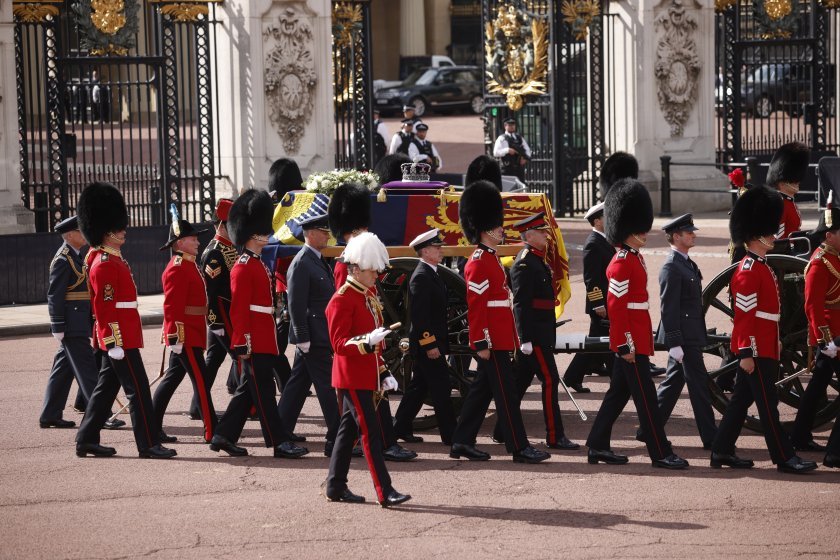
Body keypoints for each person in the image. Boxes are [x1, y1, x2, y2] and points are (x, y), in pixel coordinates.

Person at [710, 186, 816, 473]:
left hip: (765, 344)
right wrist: (745, 351)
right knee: (768, 406)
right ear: (755, 236)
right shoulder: (747, 271)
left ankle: (721, 451)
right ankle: (784, 457)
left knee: (740, 402)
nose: (773, 236)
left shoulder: (761, 265)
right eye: (768, 233)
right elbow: (744, 318)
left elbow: (767, 315)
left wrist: (775, 342)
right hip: (754, 349)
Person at [585, 179, 688, 469]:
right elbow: (617, 309)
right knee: (647, 401)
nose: (644, 232)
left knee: (618, 394)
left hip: (637, 337)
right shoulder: (620, 262)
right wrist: (625, 344)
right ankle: (660, 451)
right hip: (629, 341)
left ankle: (597, 444)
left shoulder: (634, 257)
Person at [449, 180, 550, 464]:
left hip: (500, 337)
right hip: (491, 340)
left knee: (482, 391)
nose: (502, 229)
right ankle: (519, 447)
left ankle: (461, 442)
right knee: (506, 394)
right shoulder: (479, 261)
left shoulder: (491, 258)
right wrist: (480, 341)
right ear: (483, 228)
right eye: (497, 226)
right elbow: (477, 307)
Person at [74, 182, 175, 459]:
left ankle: (86, 438)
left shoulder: (112, 258)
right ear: (106, 231)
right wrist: (113, 341)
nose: (124, 230)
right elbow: (104, 309)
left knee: (106, 390)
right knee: (138, 391)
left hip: (124, 333)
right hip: (120, 337)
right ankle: (148, 444)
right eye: (119, 227)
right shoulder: (105, 262)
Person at [209, 189, 308, 459]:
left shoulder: (257, 263)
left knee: (248, 392)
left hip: (264, 334)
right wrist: (241, 340)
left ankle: (223, 435)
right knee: (263, 392)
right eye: (262, 231)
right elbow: (238, 308)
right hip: (253, 337)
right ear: (253, 234)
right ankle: (279, 441)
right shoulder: (242, 266)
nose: (267, 234)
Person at [328, 183, 416, 461]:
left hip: (370, 338)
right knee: (365, 402)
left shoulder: (362, 254)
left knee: (374, 399)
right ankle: (375, 445)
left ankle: (379, 442)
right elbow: (350, 301)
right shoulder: (349, 262)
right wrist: (366, 339)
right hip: (359, 340)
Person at [323, 232, 412, 507]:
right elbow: (339, 344)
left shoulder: (367, 294)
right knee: (370, 435)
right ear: (357, 269)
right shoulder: (341, 299)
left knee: (347, 432)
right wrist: (365, 342)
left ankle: (335, 485)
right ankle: (384, 491)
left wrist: (383, 372)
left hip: (368, 373)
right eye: (372, 270)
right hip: (352, 376)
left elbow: (374, 341)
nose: (377, 275)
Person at [500, 213, 580, 450]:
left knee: (520, 383)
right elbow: (521, 304)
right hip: (534, 335)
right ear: (530, 235)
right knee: (549, 380)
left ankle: (502, 430)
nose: (547, 235)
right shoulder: (524, 263)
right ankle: (555, 436)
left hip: (541, 331)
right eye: (542, 232)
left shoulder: (535, 259)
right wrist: (524, 338)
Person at [641, 214, 717, 449]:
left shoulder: (685, 262)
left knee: (672, 385)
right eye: (688, 232)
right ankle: (712, 439)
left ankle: (647, 430)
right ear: (676, 236)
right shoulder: (672, 266)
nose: (693, 234)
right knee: (699, 388)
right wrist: (674, 342)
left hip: (689, 333)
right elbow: (668, 308)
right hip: (683, 337)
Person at [40, 216, 124, 431]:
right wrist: (57, 325)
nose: (84, 234)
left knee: (63, 370)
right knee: (88, 371)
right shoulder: (63, 259)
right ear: (69, 235)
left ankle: (50, 414)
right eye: (79, 231)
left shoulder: (77, 256)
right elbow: (55, 295)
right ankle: (101, 414)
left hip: (78, 321)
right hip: (70, 324)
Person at [278, 211, 342, 457]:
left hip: (318, 332)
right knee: (327, 386)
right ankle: (337, 437)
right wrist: (302, 335)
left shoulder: (315, 259)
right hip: (312, 336)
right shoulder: (303, 262)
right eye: (323, 232)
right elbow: (295, 303)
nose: (327, 236)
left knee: (297, 385)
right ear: (311, 234)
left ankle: (281, 435)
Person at [152, 210, 217, 444]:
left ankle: (152, 427)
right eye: (193, 238)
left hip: (193, 331)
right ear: (181, 242)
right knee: (201, 381)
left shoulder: (189, 264)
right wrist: (175, 336)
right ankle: (212, 430)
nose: (198, 242)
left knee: (171, 380)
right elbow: (172, 306)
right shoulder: (177, 267)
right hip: (185, 334)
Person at [392, 229, 457, 445]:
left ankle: (399, 427)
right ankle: (452, 436)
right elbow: (420, 318)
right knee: (441, 389)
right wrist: (430, 344)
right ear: (426, 251)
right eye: (437, 248)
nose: (441, 251)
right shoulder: (421, 277)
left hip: (429, 343)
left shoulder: (431, 273)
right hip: (427, 344)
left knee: (419, 388)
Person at [791, 196, 840, 456]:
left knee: (816, 387)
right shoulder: (819, 264)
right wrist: (826, 341)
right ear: (830, 236)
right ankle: (835, 452)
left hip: (836, 336)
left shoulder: (836, 257)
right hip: (831, 338)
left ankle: (799, 435)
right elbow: (813, 306)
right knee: (817, 386)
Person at [562, 202, 614, 393]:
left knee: (596, 343)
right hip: (600, 305)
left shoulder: (604, 240)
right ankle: (618, 380)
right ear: (598, 221)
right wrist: (598, 303)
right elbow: (591, 280)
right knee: (604, 343)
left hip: (606, 302)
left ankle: (572, 377)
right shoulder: (593, 243)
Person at [198, 199, 240, 410]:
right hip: (221, 315)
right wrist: (214, 321)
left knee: (213, 361)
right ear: (222, 225)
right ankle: (247, 405)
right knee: (240, 357)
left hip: (228, 313)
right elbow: (212, 292)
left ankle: (198, 406)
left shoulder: (228, 247)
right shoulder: (215, 252)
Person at [766, 142, 808, 240]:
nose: (797, 182)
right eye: (792, 180)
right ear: (781, 183)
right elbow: (778, 237)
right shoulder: (780, 204)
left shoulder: (789, 202)